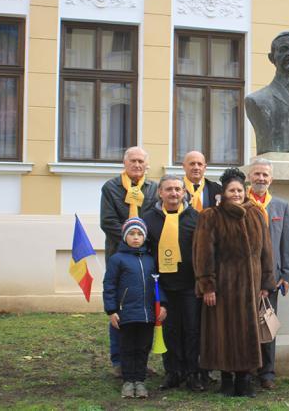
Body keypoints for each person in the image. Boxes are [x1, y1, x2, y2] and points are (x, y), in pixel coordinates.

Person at [193, 168, 275, 397]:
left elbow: (266, 252)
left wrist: (265, 284)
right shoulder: (211, 216)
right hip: (224, 288)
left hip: (251, 288)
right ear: (224, 192)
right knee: (224, 333)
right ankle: (227, 379)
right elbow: (203, 254)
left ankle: (245, 379)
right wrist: (207, 285)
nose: (236, 194)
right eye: (232, 190)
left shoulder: (256, 214)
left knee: (249, 333)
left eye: (239, 189)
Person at [100, 146, 158, 377]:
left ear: (147, 165)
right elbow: (108, 221)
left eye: (141, 161)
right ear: (125, 163)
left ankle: (140, 361)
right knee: (120, 309)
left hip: (146, 260)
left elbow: (154, 218)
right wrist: (132, 240)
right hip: (120, 256)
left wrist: (144, 244)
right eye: (132, 161)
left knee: (145, 310)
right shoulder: (111, 188)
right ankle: (119, 361)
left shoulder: (153, 188)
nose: (137, 165)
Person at [143, 176, 201, 391]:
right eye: (169, 189)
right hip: (163, 287)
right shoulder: (149, 219)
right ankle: (173, 372)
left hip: (190, 285)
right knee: (169, 330)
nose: (174, 193)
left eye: (178, 189)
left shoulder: (196, 218)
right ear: (160, 192)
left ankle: (193, 372)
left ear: (184, 192)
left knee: (192, 330)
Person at [103, 218, 167, 399]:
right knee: (127, 348)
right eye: (132, 234)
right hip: (126, 314)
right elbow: (110, 286)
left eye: (139, 234)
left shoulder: (150, 260)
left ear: (145, 237)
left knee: (142, 347)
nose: (136, 237)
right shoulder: (117, 259)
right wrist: (112, 310)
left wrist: (162, 304)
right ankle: (127, 381)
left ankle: (139, 381)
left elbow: (157, 283)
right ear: (125, 237)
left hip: (147, 314)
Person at [247, 158, 289, 390]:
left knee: (267, 324)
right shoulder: (241, 203)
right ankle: (248, 368)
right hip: (244, 277)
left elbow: (286, 243)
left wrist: (286, 274)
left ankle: (267, 373)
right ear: (249, 176)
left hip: (272, 278)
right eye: (257, 174)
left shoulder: (281, 206)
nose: (261, 178)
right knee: (245, 325)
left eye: (265, 175)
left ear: (271, 179)